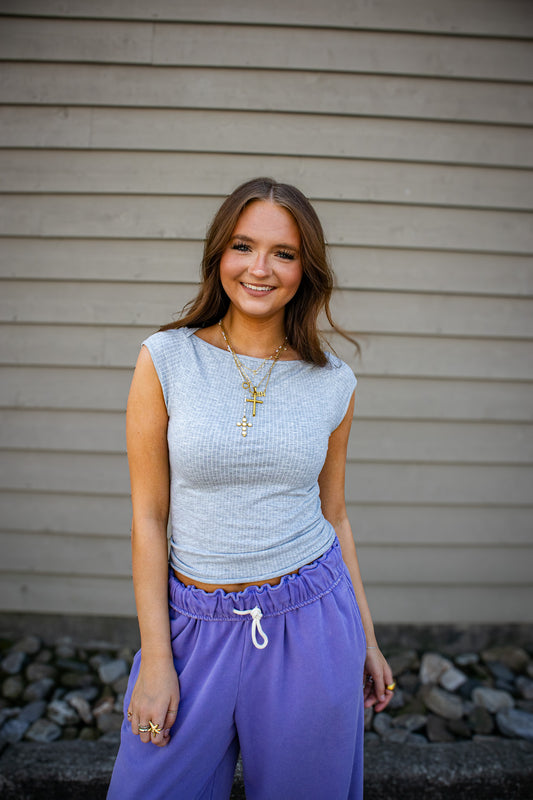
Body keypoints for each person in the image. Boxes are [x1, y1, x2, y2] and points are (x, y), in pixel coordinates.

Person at [107, 177, 394, 800]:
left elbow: (334, 515)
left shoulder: (333, 382)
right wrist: (155, 657)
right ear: (220, 257)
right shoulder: (166, 359)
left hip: (311, 623)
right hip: (192, 628)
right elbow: (148, 516)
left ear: (305, 268)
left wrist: (368, 641)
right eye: (243, 246)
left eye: (283, 253)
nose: (260, 268)